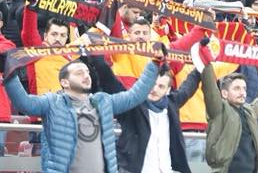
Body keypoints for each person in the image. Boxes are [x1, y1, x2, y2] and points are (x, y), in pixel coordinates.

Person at [5, 57, 159, 173]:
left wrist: (154, 64)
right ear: (64, 82)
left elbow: (135, 96)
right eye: (79, 73)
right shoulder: (52, 103)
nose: (86, 76)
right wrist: (9, 72)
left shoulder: (103, 101)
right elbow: (24, 102)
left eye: (87, 72)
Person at [200, 39, 258, 173]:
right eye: (236, 88)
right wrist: (206, 63)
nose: (242, 92)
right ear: (224, 93)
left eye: (244, 88)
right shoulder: (219, 110)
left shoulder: (249, 111)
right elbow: (210, 89)